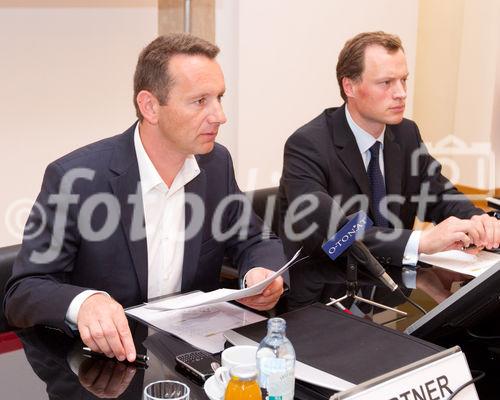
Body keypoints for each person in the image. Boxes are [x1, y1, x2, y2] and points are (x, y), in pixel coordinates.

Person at [4, 33, 286, 362]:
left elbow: (254, 238)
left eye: (219, 98)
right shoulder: (75, 178)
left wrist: (261, 272)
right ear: (150, 106)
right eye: (200, 101)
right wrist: (85, 302)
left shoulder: (216, 163)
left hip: (192, 358)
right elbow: (23, 290)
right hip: (103, 370)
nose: (219, 115)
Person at [279, 31, 500, 310]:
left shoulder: (405, 133)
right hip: (324, 297)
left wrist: (478, 221)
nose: (401, 93)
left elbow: (437, 194)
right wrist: (422, 241)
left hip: (391, 290)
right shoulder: (308, 145)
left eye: (404, 80)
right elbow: (336, 236)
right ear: (350, 86)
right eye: (386, 83)